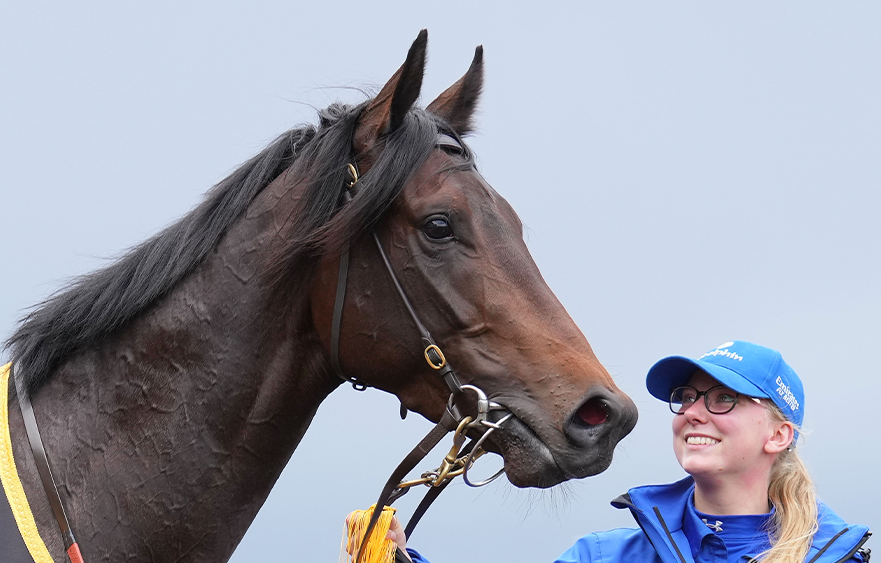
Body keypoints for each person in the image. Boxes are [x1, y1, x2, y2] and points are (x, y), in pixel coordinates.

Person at [364, 340, 871, 563]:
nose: (694, 412)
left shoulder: (836, 558)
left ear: (778, 435)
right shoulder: (604, 557)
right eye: (687, 397)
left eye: (724, 399)